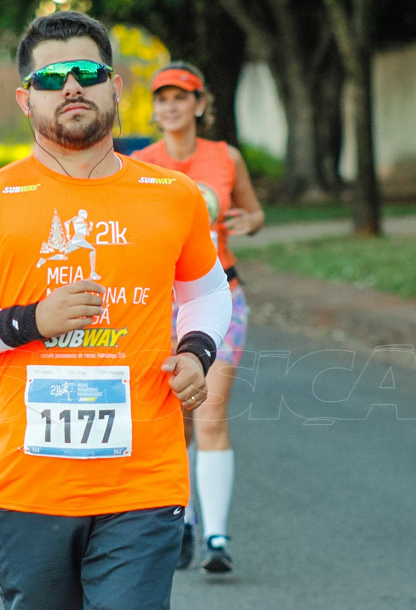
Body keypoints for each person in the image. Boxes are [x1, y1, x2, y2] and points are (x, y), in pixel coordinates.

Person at [0, 11, 232, 610]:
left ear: (116, 87)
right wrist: (30, 320)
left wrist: (196, 350)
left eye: (88, 72)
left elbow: (207, 292)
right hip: (28, 485)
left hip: (142, 479)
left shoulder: (172, 197)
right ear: (25, 97)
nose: (72, 87)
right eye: (51, 76)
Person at [131, 62, 265, 575]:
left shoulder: (225, 158)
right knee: (175, 419)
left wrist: (247, 221)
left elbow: (254, 215)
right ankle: (182, 520)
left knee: (210, 412)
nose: (170, 106)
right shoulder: (141, 163)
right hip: (160, 303)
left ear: (200, 104)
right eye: (162, 98)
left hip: (221, 295)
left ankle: (216, 538)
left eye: (180, 97)